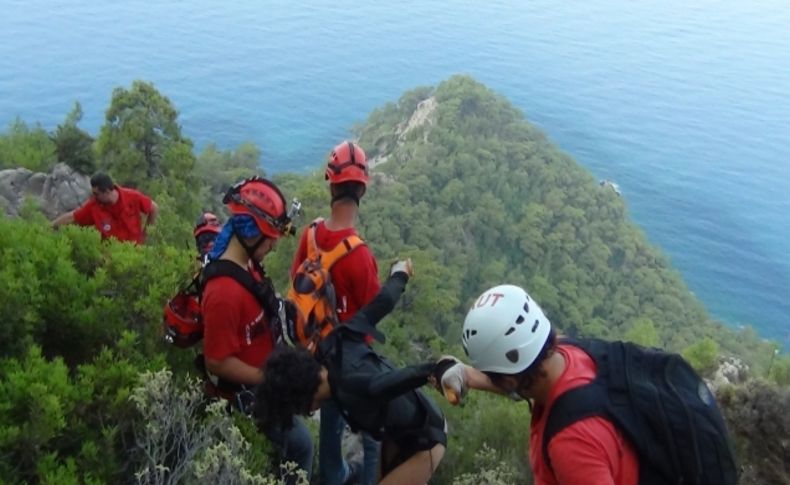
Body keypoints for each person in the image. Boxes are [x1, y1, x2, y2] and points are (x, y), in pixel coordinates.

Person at [255, 260, 447, 485]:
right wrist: (400, 274)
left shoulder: (345, 385)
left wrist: (433, 370)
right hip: (400, 432)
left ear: (305, 399)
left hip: (427, 438)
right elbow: (382, 303)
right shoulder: (336, 342)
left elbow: (381, 384)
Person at [437, 284, 639, 485]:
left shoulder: (570, 444)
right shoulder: (573, 352)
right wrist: (468, 375)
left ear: (509, 381)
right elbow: (526, 374)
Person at [201, 176, 312, 482]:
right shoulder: (223, 292)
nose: (274, 244)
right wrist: (269, 378)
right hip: (248, 398)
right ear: (249, 233)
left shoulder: (247, 267)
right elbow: (217, 360)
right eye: (268, 236)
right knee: (300, 448)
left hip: (263, 388)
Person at [290, 141, 380, 485]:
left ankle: (334, 475)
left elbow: (297, 284)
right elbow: (372, 314)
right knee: (375, 433)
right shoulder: (359, 255)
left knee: (331, 427)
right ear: (363, 189)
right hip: (349, 359)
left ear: (331, 183)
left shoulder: (310, 234)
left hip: (313, 351)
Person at [51, 172, 158, 244]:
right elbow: (72, 217)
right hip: (110, 259)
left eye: (96, 194)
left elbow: (153, 207)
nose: (93, 196)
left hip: (134, 254)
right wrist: (50, 226)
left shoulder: (132, 197)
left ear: (107, 192)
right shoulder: (94, 206)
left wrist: (146, 235)